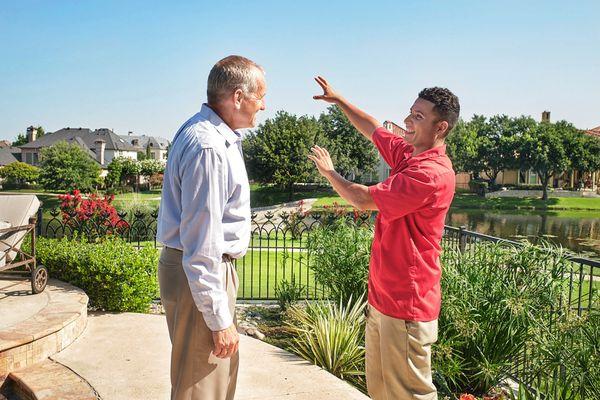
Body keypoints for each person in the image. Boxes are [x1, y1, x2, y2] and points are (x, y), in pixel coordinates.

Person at [309, 76, 459, 400]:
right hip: (383, 299)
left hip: (406, 304)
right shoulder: (411, 156)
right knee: (380, 391)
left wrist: (329, 172)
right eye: (410, 112)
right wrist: (338, 99)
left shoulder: (430, 174)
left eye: (418, 117)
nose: (407, 120)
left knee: (410, 394)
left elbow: (362, 199)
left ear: (441, 127)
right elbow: (374, 128)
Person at [156, 55, 266, 400]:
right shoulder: (209, 147)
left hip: (199, 272)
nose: (263, 106)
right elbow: (200, 243)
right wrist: (219, 320)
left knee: (211, 382)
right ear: (237, 96)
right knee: (201, 388)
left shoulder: (209, 135)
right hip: (202, 272)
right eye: (260, 96)